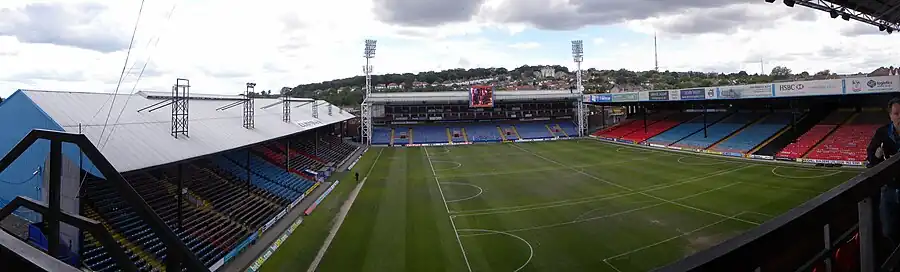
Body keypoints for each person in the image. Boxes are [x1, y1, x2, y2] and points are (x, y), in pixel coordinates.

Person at [867, 97, 900, 245]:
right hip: (889, 190)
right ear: (890, 115)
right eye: (896, 113)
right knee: (888, 230)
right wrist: (876, 155)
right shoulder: (881, 133)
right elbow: (871, 157)